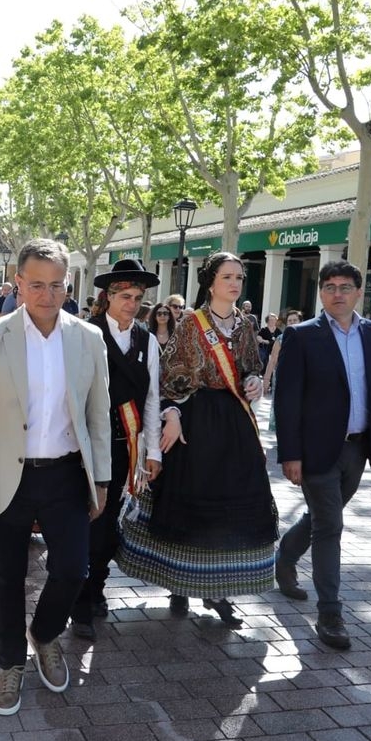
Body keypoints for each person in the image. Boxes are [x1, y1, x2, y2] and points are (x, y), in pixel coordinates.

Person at [0, 238, 111, 717]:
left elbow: (97, 415)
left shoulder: (88, 338)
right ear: (19, 283)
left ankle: (43, 634)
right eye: (37, 284)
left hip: (65, 474)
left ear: (69, 285)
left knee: (73, 569)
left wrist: (100, 479)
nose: (48, 294)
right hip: (7, 476)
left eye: (57, 284)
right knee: (8, 577)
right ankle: (9, 664)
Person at [116, 251, 277, 628]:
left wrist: (253, 382)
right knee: (192, 504)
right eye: (227, 277)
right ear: (211, 282)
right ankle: (179, 582)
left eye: (239, 277)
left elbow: (251, 366)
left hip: (236, 427)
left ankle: (218, 590)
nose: (235, 284)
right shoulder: (191, 323)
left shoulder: (246, 324)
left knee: (231, 507)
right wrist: (173, 412)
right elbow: (170, 373)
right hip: (197, 426)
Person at [274, 260, 371, 651]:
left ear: (359, 292)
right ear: (321, 293)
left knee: (321, 517)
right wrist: (290, 453)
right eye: (329, 287)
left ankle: (284, 558)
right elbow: (287, 398)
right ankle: (330, 613)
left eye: (345, 286)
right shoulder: (301, 335)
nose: (337, 293)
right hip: (315, 451)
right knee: (330, 526)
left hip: (358, 448)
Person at [71, 259, 163, 641]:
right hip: (88, 445)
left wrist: (152, 451)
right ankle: (79, 600)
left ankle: (96, 589)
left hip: (125, 446)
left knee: (109, 527)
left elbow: (154, 399)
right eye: (125, 296)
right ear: (108, 296)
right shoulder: (85, 334)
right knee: (87, 521)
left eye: (138, 298)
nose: (132, 303)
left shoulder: (148, 340)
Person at [262, 309, 303, 433]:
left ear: (301, 321)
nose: (292, 323)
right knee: (283, 407)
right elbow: (273, 360)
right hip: (282, 378)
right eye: (290, 321)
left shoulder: (307, 337)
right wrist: (266, 380)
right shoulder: (281, 339)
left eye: (295, 320)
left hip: (301, 377)